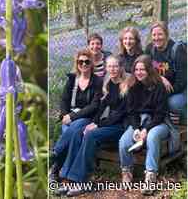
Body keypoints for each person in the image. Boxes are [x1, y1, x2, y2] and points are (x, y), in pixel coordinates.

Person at [53, 56, 128, 196]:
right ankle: (67, 178)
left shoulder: (125, 86)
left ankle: (81, 181)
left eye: (116, 66)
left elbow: (119, 115)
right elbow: (100, 108)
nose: (113, 69)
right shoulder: (108, 85)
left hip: (120, 127)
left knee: (91, 135)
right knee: (77, 132)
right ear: (106, 68)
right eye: (110, 66)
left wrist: (97, 125)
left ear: (121, 68)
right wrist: (93, 122)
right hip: (107, 124)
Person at [118, 55, 173, 195]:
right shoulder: (133, 86)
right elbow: (131, 112)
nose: (139, 72)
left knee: (152, 137)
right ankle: (127, 171)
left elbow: (160, 114)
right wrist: (136, 128)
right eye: (136, 69)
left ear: (149, 70)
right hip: (139, 123)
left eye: (142, 69)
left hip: (159, 122)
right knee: (124, 141)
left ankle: (150, 176)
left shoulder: (159, 86)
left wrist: (146, 129)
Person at [49, 49, 102, 181]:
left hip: (87, 117)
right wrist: (65, 115)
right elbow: (64, 100)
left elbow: (94, 106)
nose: (84, 64)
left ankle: (56, 155)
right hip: (70, 117)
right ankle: (61, 172)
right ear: (77, 64)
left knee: (75, 127)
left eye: (87, 61)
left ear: (91, 64)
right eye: (80, 62)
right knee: (74, 134)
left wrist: (71, 118)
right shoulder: (72, 79)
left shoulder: (97, 82)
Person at [144, 21, 187, 124]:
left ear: (166, 35)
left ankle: (184, 116)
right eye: (154, 35)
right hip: (157, 89)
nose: (157, 38)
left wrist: (161, 94)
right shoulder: (150, 49)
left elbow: (181, 82)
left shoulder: (177, 50)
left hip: (177, 91)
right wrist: (160, 78)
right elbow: (145, 69)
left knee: (173, 103)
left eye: (160, 34)